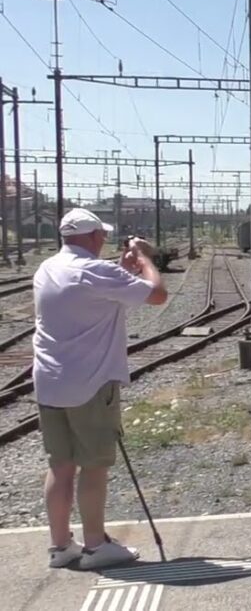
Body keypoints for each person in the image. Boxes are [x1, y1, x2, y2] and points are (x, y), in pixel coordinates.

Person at [34, 208, 168, 570]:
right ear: (93, 237)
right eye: (102, 235)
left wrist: (122, 269)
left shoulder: (48, 268)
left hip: (49, 381)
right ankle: (95, 546)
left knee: (60, 465)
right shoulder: (96, 270)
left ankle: (60, 547)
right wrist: (143, 259)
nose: (104, 240)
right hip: (90, 383)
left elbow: (91, 296)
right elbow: (157, 294)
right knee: (93, 466)